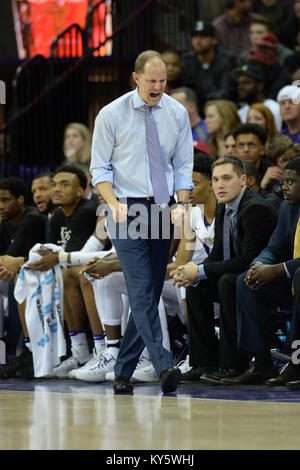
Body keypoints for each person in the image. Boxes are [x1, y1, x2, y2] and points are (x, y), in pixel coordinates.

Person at [90, 49, 194, 394]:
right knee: (139, 285)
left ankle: (122, 371)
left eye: (163, 81)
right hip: (124, 207)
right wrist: (112, 203)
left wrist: (180, 202)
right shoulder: (111, 113)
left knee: (147, 292)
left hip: (163, 206)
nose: (158, 87)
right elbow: (99, 168)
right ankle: (165, 365)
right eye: (152, 81)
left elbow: (182, 165)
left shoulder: (177, 112)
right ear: (136, 78)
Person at [170, 155, 278, 383]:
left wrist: (199, 270)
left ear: (243, 180)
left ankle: (233, 365)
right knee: (197, 286)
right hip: (239, 276)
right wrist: (193, 271)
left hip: (267, 279)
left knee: (227, 281)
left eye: (227, 178)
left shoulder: (255, 208)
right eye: (216, 180)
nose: (220, 185)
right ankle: (203, 362)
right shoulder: (224, 207)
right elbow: (219, 254)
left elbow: (248, 259)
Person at [0, 165, 100, 379]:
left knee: (66, 273)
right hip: (68, 268)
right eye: (54, 184)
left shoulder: (86, 211)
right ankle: (32, 349)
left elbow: (71, 255)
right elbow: (51, 252)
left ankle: (86, 348)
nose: (56, 189)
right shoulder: (57, 216)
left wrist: (21, 261)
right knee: (26, 274)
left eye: (64, 185)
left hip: (91, 269)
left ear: (80, 191)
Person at [221, 157, 300, 386]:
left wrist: (277, 270)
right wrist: (258, 266)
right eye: (283, 181)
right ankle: (261, 363)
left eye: (292, 182)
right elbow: (274, 247)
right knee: (246, 282)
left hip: (296, 277)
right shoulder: (287, 208)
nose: (284, 187)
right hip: (291, 279)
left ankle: (296, 364)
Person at [0, 177, 47, 373]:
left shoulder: (31, 219)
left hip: (39, 273)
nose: (0, 206)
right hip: (19, 272)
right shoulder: (6, 223)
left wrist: (8, 263)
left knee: (17, 279)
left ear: (20, 200)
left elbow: (10, 258)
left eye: (5, 200)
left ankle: (20, 349)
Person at [181, 21, 236, 114]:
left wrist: (203, 98)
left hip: (220, 108)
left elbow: (226, 91)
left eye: (203, 37)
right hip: (194, 109)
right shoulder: (187, 60)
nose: (198, 41)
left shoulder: (227, 59)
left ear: (214, 40)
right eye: (194, 37)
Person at [233, 64, 282, 131]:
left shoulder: (274, 108)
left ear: (260, 86)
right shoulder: (240, 112)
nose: (241, 87)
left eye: (246, 83)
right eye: (239, 83)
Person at [261, 134, 299, 199]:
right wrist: (263, 185)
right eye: (284, 160)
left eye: (292, 156)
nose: (291, 161)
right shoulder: (273, 181)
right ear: (275, 165)